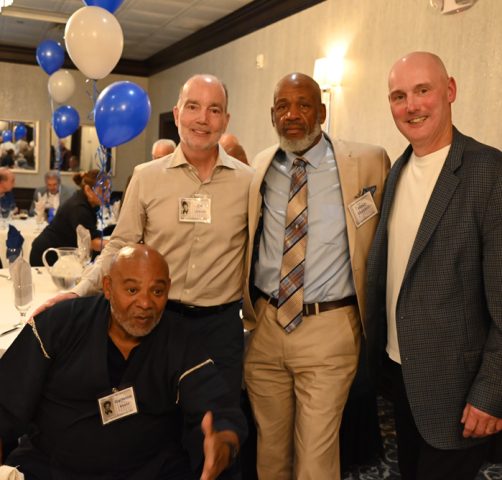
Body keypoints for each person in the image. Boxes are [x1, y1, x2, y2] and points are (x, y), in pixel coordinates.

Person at [36, 74, 254, 409]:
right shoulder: (146, 177)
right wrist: (78, 292)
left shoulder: (249, 182)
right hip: (155, 321)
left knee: (218, 423)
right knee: (153, 422)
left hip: (219, 330)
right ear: (177, 114)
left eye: (214, 110)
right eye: (193, 107)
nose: (202, 118)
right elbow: (118, 246)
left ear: (225, 120)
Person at [242, 72, 390, 479]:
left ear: (322, 112)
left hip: (330, 328)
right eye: (282, 106)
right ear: (272, 115)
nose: (292, 115)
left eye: (303, 105)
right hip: (266, 326)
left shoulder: (368, 163)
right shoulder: (258, 167)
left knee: (315, 460)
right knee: (270, 453)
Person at [365, 51, 502, 480]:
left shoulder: (488, 172)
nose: (411, 106)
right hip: (400, 377)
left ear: (450, 90)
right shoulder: (398, 171)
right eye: (399, 96)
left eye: (423, 90)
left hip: (458, 391)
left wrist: (491, 393)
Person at [0, 244, 246, 479]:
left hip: (150, 472)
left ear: (168, 289)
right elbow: (6, 401)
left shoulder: (178, 339)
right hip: (51, 469)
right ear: (107, 287)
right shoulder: (61, 324)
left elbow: (217, 408)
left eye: (157, 292)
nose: (145, 303)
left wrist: (223, 442)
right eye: (132, 290)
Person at [29, 169, 108, 266]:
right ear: (88, 190)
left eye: (109, 190)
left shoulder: (86, 201)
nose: (107, 195)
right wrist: (117, 246)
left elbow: (91, 234)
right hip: (46, 255)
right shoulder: (79, 208)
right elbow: (92, 243)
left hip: (57, 254)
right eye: (103, 190)